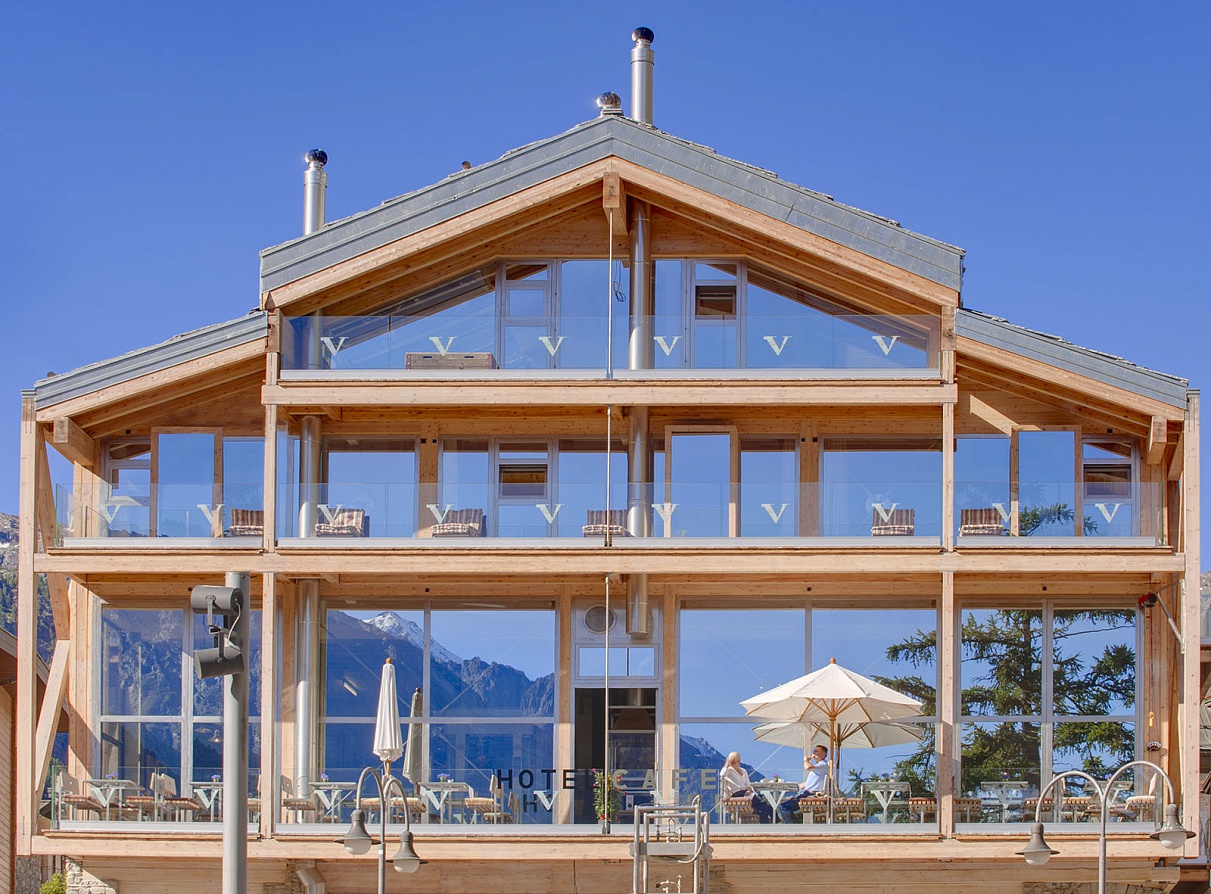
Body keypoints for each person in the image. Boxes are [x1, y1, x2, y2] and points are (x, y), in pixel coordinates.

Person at [777, 744, 829, 824]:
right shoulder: (819, 768)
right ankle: (793, 824)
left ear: (823, 754)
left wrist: (806, 760)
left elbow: (808, 767)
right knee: (783, 806)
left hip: (811, 794)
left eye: (816, 751)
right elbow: (808, 783)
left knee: (783, 807)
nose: (813, 753)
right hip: (807, 793)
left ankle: (792, 826)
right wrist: (794, 787)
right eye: (813, 751)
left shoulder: (823, 764)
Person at [718, 752, 772, 823]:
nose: (731, 764)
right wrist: (726, 764)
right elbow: (722, 774)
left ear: (739, 762)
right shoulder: (729, 771)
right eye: (730, 762)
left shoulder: (744, 771)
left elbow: (748, 785)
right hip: (736, 793)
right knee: (763, 802)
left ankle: (767, 823)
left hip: (746, 793)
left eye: (733, 762)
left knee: (763, 807)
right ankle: (776, 820)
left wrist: (749, 790)